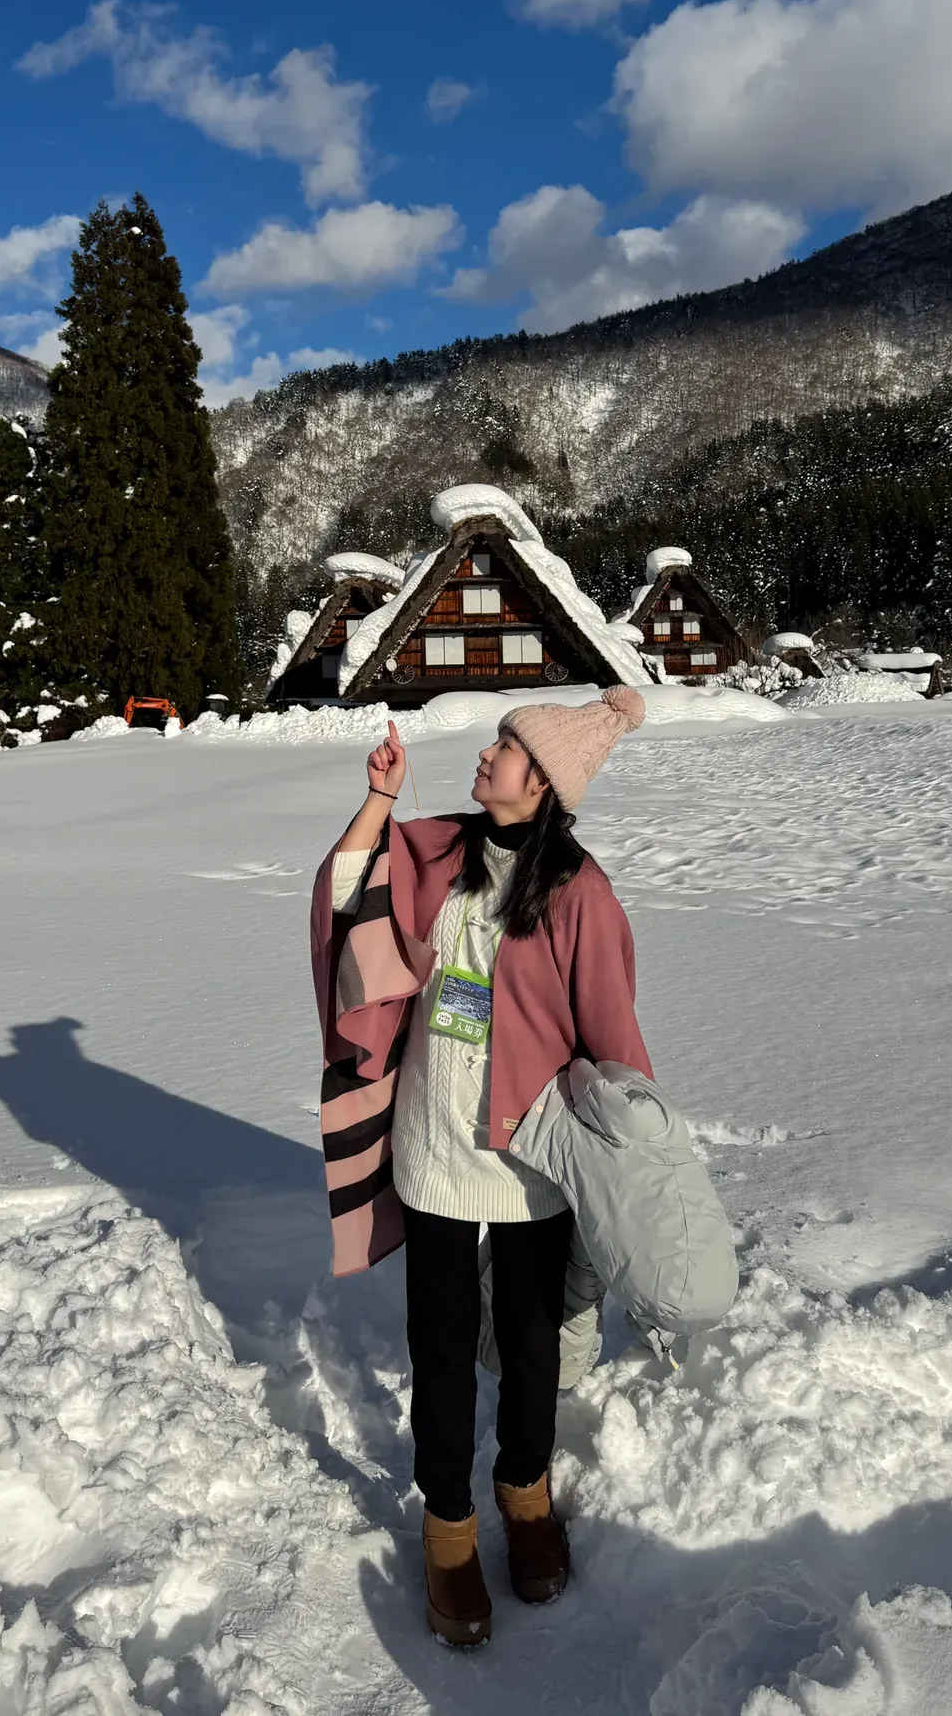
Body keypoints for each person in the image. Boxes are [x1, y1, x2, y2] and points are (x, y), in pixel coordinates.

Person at [310, 686, 654, 1648]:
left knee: (533, 1339)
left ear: (542, 782)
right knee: (443, 1343)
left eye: (507, 747)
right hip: (433, 1147)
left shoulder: (579, 891)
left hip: (531, 1154)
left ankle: (527, 1492)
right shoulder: (438, 851)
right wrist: (379, 799)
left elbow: (613, 1032)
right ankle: (449, 1527)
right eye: (497, 740)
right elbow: (349, 889)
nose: (487, 755)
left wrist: (631, 1152)